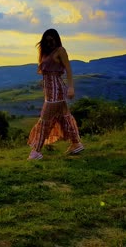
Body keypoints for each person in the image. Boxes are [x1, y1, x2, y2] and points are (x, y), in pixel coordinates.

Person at [27, 28, 84, 160]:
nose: (50, 43)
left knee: (45, 119)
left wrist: (71, 87)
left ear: (56, 39)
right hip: (49, 90)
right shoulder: (46, 53)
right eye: (47, 41)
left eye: (52, 40)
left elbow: (68, 70)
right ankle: (76, 143)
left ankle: (36, 151)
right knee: (65, 117)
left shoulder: (60, 51)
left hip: (56, 90)